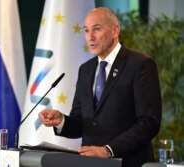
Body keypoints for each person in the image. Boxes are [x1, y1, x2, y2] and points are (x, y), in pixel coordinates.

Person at [38, 7, 162, 167]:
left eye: (97, 29)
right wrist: (61, 121)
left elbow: (148, 123)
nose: (90, 37)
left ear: (115, 30)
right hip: (91, 163)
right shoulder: (86, 69)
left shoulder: (140, 64)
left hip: (128, 162)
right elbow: (82, 123)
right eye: (86, 30)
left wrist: (109, 150)